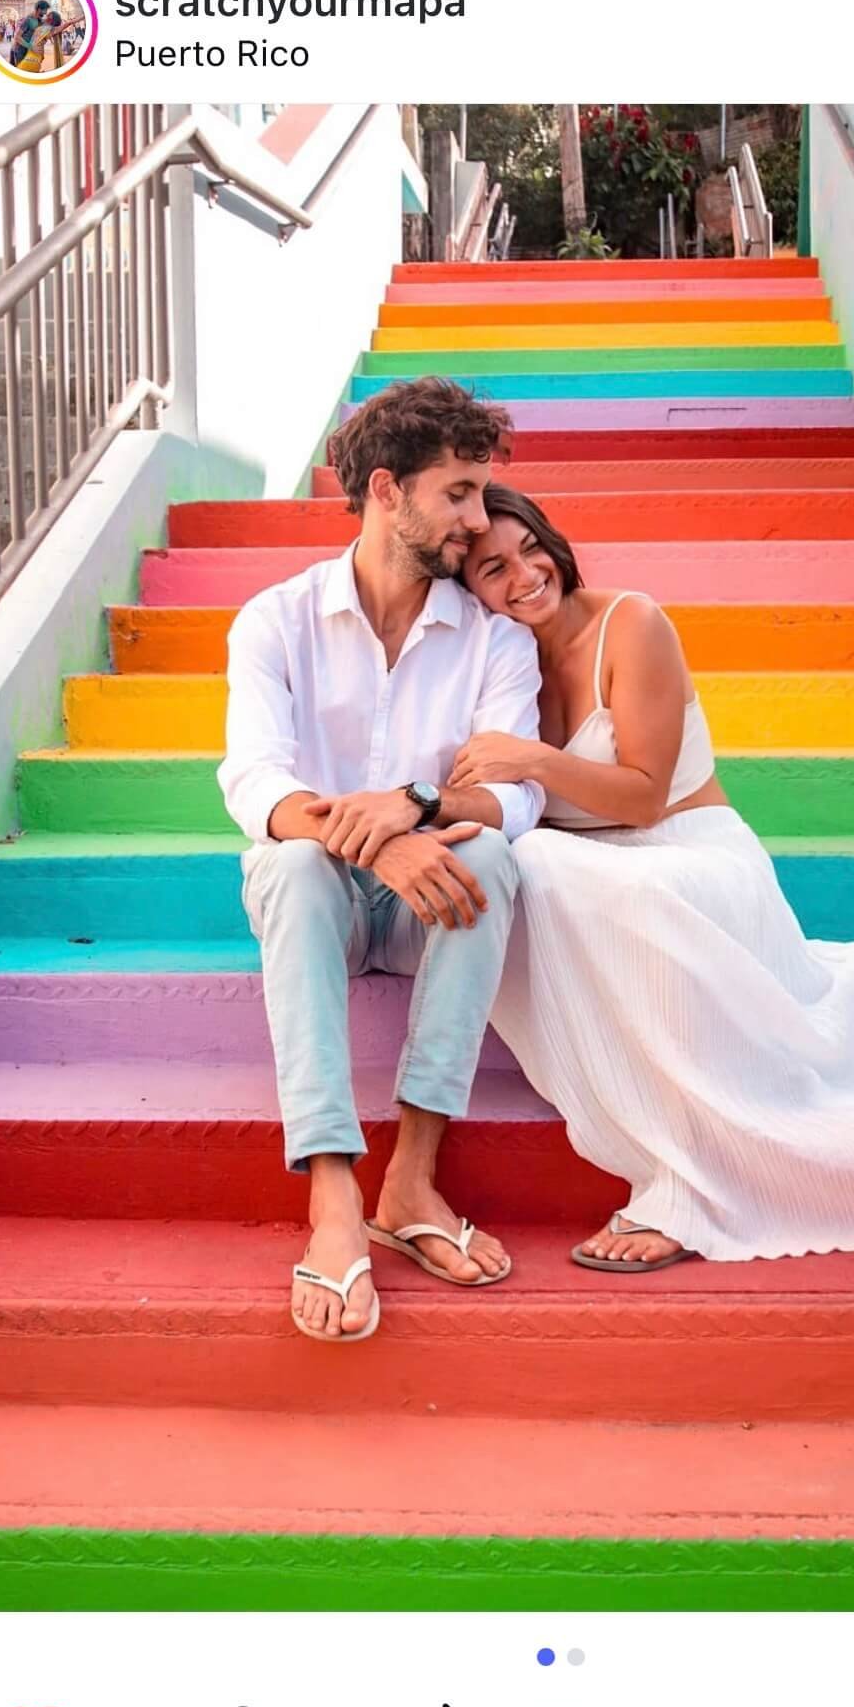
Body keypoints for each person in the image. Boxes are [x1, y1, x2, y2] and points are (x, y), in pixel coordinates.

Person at [451, 484, 854, 1271]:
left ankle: (691, 1183)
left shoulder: (631, 622)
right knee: (526, 866)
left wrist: (534, 759)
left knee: (545, 862)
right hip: (602, 882)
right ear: (467, 591)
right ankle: (663, 1139)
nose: (522, 576)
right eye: (491, 569)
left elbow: (645, 797)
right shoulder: (498, 669)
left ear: (554, 544)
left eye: (528, 550)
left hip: (692, 854)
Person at [217, 381, 544, 1342]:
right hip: (318, 902)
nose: (479, 521)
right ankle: (330, 1200)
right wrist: (377, 841)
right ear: (387, 492)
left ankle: (410, 1179)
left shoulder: (492, 637)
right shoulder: (274, 621)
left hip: (431, 906)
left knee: (491, 852)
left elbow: (515, 794)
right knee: (286, 865)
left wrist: (417, 811)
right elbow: (254, 783)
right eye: (459, 494)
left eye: (483, 495)